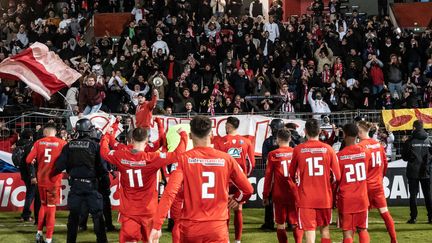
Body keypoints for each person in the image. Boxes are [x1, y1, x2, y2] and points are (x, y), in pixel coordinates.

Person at [148, 115, 254, 242]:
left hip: (191, 228)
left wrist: (157, 225)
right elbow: (248, 189)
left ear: (191, 136)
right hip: (217, 228)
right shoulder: (227, 159)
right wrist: (238, 199)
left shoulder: (184, 159)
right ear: (212, 135)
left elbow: (170, 192)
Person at [100, 126, 187, 242]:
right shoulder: (152, 158)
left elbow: (104, 151)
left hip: (129, 212)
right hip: (149, 212)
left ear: (131, 140)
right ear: (146, 140)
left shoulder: (120, 156)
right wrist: (183, 136)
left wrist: (106, 136)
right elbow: (178, 154)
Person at [51, 118, 108, 243]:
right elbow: (103, 169)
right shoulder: (95, 146)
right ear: (89, 130)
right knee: (98, 217)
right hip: (91, 186)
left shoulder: (68, 146)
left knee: (73, 218)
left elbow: (58, 166)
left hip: (75, 186)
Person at [289, 118, 341, 243]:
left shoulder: (298, 149)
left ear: (305, 131)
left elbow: (291, 174)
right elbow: (337, 177)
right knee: (325, 230)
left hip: (306, 198)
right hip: (324, 197)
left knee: (309, 233)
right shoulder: (329, 149)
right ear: (320, 132)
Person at [214, 116, 256, 243]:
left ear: (229, 126)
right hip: (239, 180)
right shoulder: (246, 142)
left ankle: (225, 239)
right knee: (238, 209)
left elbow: (216, 161)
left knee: (224, 210)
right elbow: (252, 163)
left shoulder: (219, 141)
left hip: (224, 180)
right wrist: (244, 177)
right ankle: (237, 240)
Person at [26, 123, 67, 243]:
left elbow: (28, 160)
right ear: (55, 132)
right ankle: (48, 239)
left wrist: (35, 159)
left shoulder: (39, 143)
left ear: (45, 132)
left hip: (41, 180)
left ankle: (39, 233)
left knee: (43, 206)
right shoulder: (62, 143)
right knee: (51, 209)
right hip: (54, 181)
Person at [357, 121, 397, 243]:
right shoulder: (378, 145)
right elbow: (385, 165)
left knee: (360, 218)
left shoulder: (360, 146)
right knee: (385, 213)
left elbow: (360, 168)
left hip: (365, 186)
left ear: (360, 132)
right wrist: (379, 178)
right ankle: (394, 240)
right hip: (378, 185)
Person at [263, 128, 303, 243]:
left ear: (277, 140)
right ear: (290, 139)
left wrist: (266, 195)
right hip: (295, 192)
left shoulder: (272, 154)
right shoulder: (297, 152)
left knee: (281, 224)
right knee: (295, 223)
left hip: (279, 194)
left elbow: (268, 177)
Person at [337, 123, 371, 243]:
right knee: (362, 229)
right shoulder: (366, 153)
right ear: (357, 134)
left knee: (347, 232)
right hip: (361, 198)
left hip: (346, 199)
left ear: (344, 134)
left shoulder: (339, 157)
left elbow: (337, 179)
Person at [402, 120, 432, 224]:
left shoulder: (409, 141)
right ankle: (431, 217)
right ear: (422, 127)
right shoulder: (429, 140)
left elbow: (404, 157)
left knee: (413, 195)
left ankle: (413, 218)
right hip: (426, 171)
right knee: (428, 195)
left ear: (414, 128)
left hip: (413, 171)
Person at [261, 118, 285, 230]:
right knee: (270, 199)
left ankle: (289, 222)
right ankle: (269, 223)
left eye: (273, 127)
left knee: (282, 199)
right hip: (279, 174)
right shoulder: (268, 141)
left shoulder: (269, 142)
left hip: (279, 174)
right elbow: (265, 158)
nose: (272, 130)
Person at [16, 129, 39, 223]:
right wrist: (32, 175)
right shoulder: (30, 145)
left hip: (23, 172)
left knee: (30, 193)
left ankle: (26, 214)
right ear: (30, 136)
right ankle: (26, 214)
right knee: (31, 193)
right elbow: (30, 162)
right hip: (30, 172)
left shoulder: (18, 144)